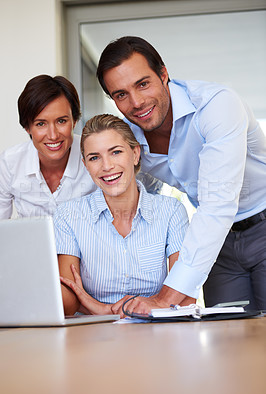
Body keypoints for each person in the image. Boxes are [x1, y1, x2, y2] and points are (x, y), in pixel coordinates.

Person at [96, 36, 266, 311]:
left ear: (164, 74)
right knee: (229, 340)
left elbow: (217, 205)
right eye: (121, 94)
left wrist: (166, 297)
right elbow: (138, 196)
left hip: (260, 222)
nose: (136, 102)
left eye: (143, 84)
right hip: (218, 245)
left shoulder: (216, 106)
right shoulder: (130, 138)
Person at [53, 114, 190, 317]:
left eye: (116, 152)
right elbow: (67, 302)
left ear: (135, 154)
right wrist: (107, 310)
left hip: (155, 332)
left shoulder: (171, 212)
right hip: (92, 334)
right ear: (85, 165)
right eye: (94, 157)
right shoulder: (68, 216)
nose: (107, 166)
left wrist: (101, 307)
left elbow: (186, 298)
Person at [0, 74, 97, 218]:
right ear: (27, 127)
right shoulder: (10, 163)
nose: (53, 135)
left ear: (74, 120)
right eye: (40, 124)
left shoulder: (96, 154)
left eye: (61, 121)